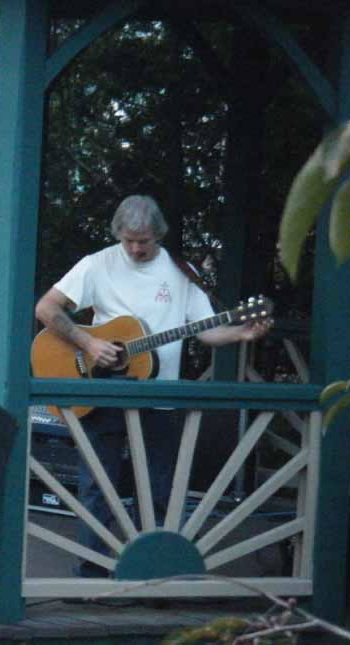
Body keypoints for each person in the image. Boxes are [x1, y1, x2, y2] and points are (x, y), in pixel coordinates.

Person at [34, 195, 271, 578]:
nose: (135, 248)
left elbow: (207, 331)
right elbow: (46, 308)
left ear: (158, 235)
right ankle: (91, 574)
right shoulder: (97, 264)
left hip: (161, 395)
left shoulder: (181, 272)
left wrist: (239, 333)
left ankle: (152, 572)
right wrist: (89, 343)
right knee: (99, 485)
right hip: (104, 390)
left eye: (143, 240)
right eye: (128, 240)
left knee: (160, 487)